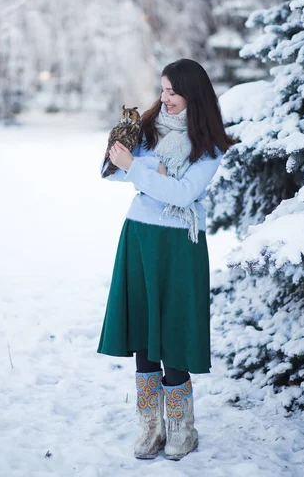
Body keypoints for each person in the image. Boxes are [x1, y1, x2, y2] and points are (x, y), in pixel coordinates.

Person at [97, 58, 235, 461]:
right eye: (163, 90)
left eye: (172, 91)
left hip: (180, 244)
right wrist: (136, 161)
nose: (165, 98)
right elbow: (112, 172)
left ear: (194, 94)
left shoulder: (207, 146)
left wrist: (139, 169)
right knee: (144, 330)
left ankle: (181, 428)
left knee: (173, 332)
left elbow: (182, 194)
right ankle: (151, 426)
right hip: (140, 235)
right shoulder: (150, 129)